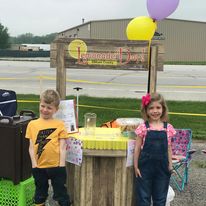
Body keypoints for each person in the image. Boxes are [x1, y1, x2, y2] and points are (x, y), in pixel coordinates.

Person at [26, 89, 71, 206]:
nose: (45, 110)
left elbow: (62, 147)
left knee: (61, 194)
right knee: (40, 194)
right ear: (39, 104)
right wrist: (34, 165)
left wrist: (61, 165)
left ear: (56, 109)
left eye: (49, 108)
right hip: (39, 167)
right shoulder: (32, 125)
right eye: (43, 106)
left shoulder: (60, 125)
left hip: (56, 167)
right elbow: (31, 147)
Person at [134, 93, 176, 206]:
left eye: (158, 107)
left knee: (160, 198)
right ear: (146, 110)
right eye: (151, 108)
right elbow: (137, 148)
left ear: (163, 109)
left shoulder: (168, 128)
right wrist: (136, 166)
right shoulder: (143, 127)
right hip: (145, 168)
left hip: (162, 168)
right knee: (143, 198)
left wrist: (170, 166)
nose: (155, 111)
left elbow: (168, 148)